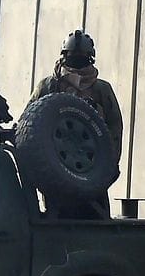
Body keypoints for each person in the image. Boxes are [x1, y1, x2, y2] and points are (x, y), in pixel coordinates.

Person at [29, 30, 124, 217]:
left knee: (95, 218)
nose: (78, 64)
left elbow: (115, 129)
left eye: (82, 59)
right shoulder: (49, 86)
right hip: (56, 164)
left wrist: (109, 164)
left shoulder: (100, 90)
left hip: (91, 167)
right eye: (73, 58)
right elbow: (30, 120)